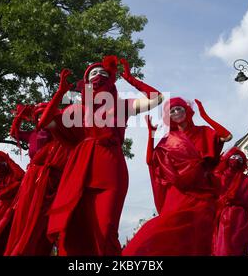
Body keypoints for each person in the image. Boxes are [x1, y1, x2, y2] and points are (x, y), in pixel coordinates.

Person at [38, 55, 163, 256]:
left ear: (112, 80)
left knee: (105, 229)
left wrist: (130, 78)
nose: (99, 75)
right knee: (77, 229)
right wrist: (60, 93)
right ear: (86, 83)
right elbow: (45, 123)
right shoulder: (77, 110)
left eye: (104, 73)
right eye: (93, 73)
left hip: (111, 168)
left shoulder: (122, 106)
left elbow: (157, 98)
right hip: (81, 170)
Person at [123, 98, 221, 256]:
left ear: (187, 110)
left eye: (179, 109)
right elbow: (150, 161)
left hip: (202, 192)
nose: (176, 113)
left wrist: (205, 116)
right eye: (172, 111)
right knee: (164, 229)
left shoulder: (204, 132)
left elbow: (226, 136)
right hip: (176, 192)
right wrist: (151, 135)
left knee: (200, 237)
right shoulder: (168, 139)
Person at [4, 103, 72, 256]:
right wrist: (19, 116)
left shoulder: (57, 133)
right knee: (24, 213)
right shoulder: (32, 134)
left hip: (51, 178)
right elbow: (14, 133)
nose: (43, 118)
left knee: (42, 216)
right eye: (39, 115)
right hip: (32, 178)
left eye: (45, 114)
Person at [212, 148, 248, 256]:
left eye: (239, 158)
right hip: (227, 217)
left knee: (241, 248)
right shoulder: (221, 176)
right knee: (225, 249)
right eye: (233, 157)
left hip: (242, 219)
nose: (236, 159)